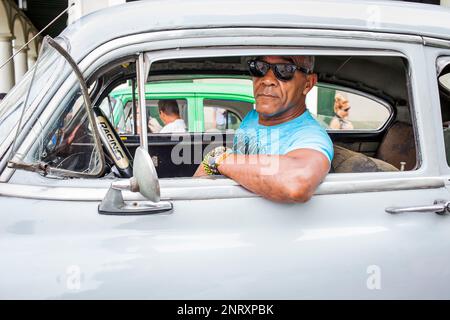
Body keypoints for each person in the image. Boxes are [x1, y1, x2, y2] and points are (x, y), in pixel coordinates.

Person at [194, 55, 333, 203]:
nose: (267, 80)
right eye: (260, 67)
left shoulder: (310, 136)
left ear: (308, 84)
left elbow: (297, 182)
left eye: (284, 70)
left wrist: (218, 159)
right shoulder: (253, 117)